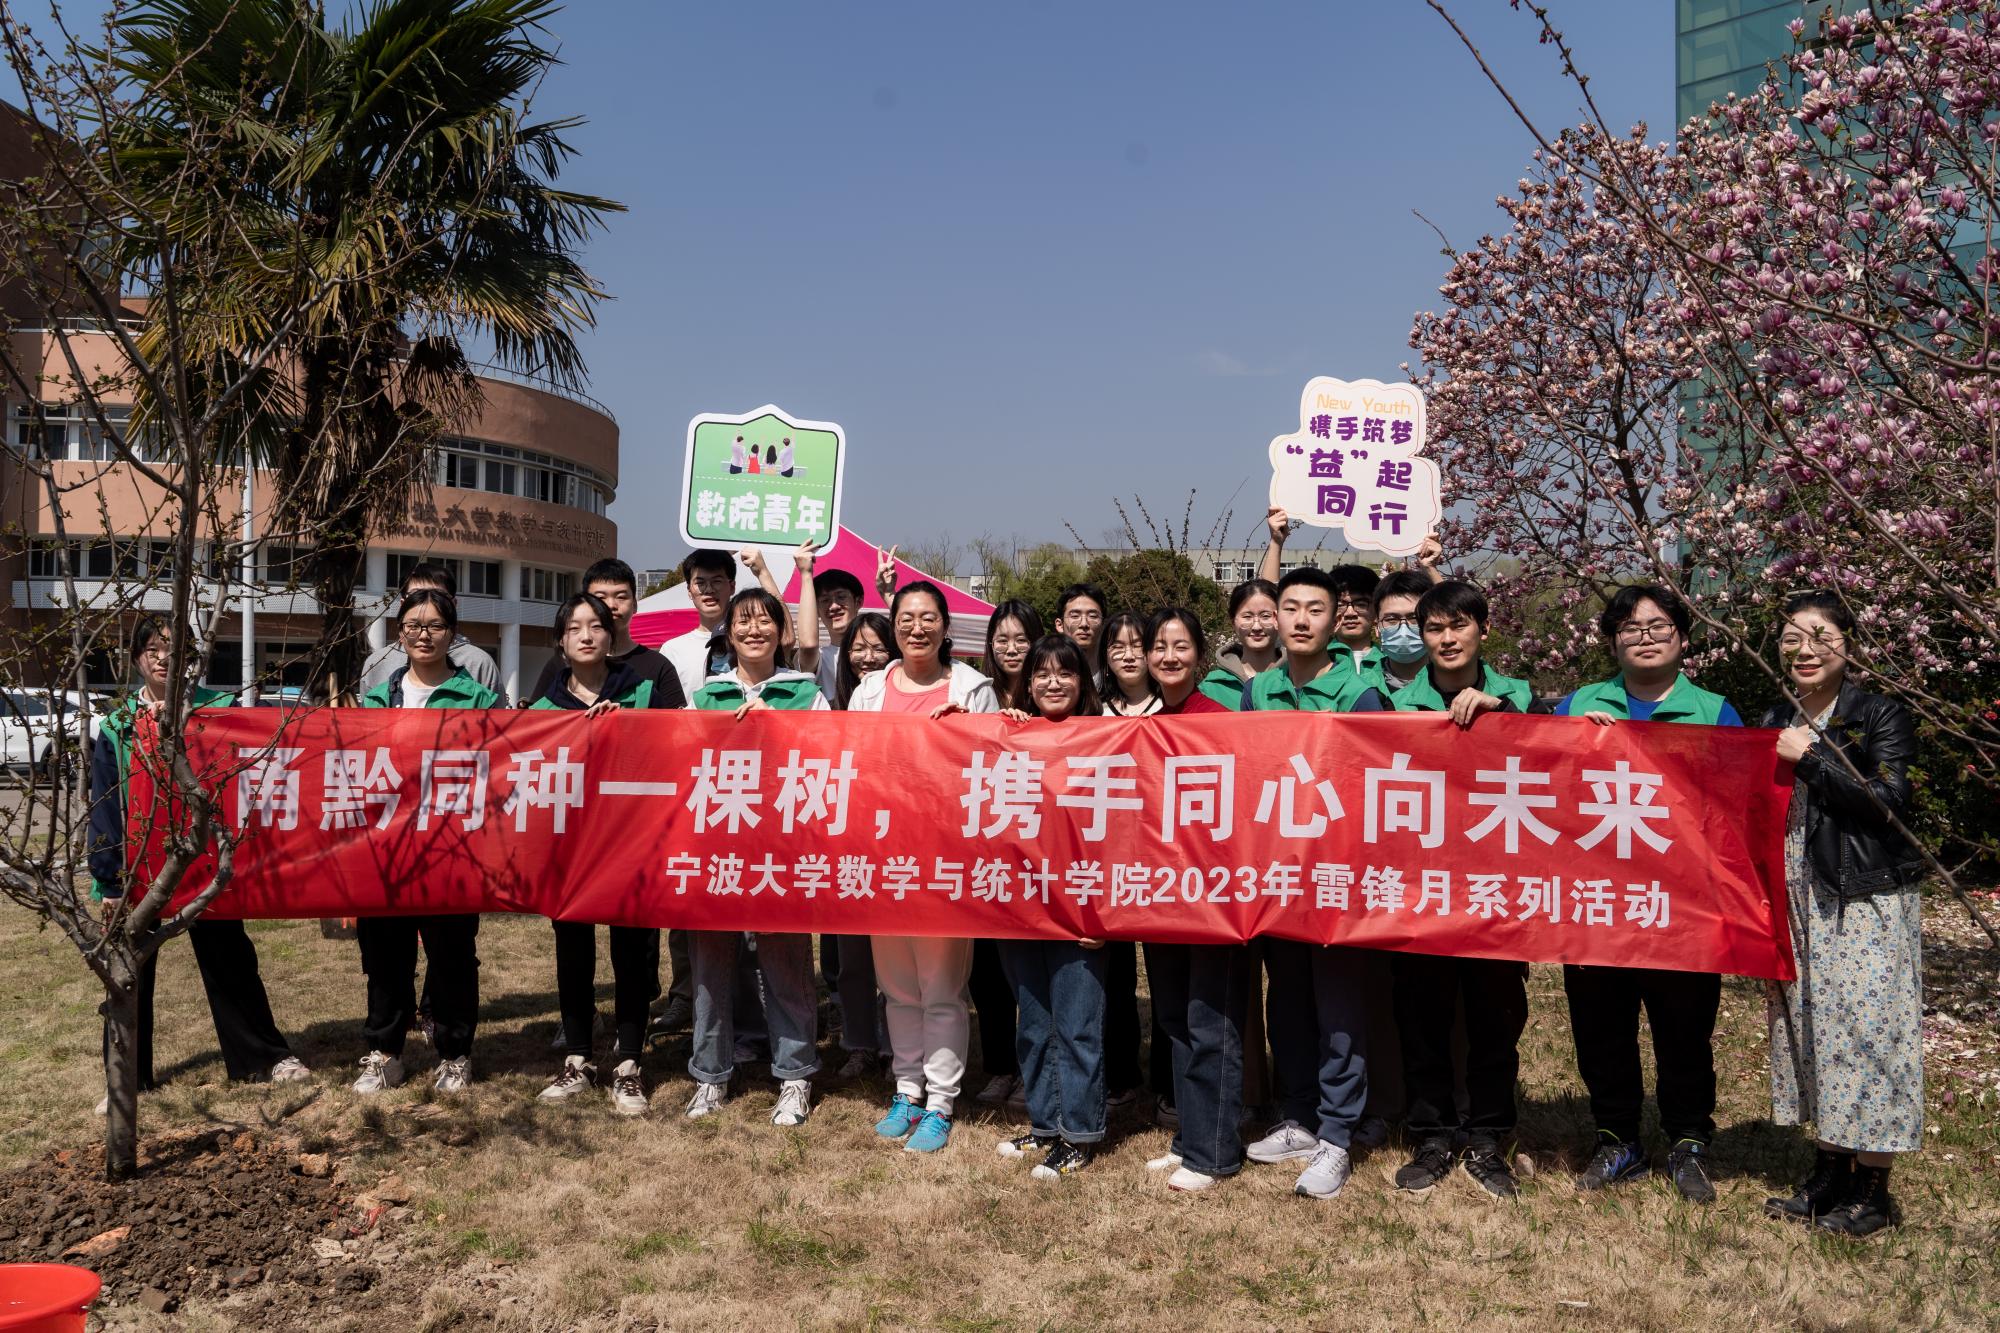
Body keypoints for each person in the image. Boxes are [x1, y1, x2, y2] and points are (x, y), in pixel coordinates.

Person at [1555, 583, 1742, 1204]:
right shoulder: (1580, 704)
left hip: (1683, 905)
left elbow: (1735, 809)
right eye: (1630, 628)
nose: (1645, 637)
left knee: (1684, 1030)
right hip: (1597, 901)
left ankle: (1689, 1142)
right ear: (1613, 642)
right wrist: (1574, 740)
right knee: (1601, 1028)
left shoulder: (1714, 712)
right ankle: (1617, 1139)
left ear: (1683, 638)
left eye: (1659, 626)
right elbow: (1539, 785)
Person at [88, 620, 308, 1113]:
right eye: (152, 649)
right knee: (129, 973)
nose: (163, 658)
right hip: (138, 867)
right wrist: (108, 877)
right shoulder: (119, 724)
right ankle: (125, 1077)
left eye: (175, 649)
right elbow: (104, 803)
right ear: (136, 658)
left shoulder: (220, 711)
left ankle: (263, 1057)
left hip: (206, 859)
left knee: (230, 959)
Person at [1761, 591, 1925, 1236]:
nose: (1804, 650)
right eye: (1791, 639)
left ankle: (1873, 1189)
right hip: (1797, 892)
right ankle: (1830, 1168)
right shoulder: (1777, 715)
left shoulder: (1876, 714)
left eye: (1820, 636)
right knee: (1811, 1026)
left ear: (1847, 644)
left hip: (1864, 895)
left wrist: (1811, 757)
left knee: (1871, 1029)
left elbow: (1889, 801)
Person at [1240, 568, 1383, 1200]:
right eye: (1290, 607)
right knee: (1289, 1001)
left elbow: (1370, 785)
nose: (1301, 620)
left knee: (1339, 1010)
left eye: (1315, 609)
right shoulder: (1258, 690)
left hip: (1337, 877)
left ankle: (1337, 1134)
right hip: (1277, 875)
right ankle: (1297, 1116)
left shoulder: (1360, 692)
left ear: (1336, 619)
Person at [1387, 579, 1533, 1198]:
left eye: (1459, 626)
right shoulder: (1392, 705)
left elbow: (1559, 760)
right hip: (1419, 888)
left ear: (1483, 630)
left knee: (1495, 1020)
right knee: (1422, 1018)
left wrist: (1504, 715)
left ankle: (1488, 1135)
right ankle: (1432, 1134)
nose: (1447, 639)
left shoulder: (1519, 696)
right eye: (1434, 628)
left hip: (1495, 889)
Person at [848, 581, 999, 1152]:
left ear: (945, 626)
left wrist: (967, 731)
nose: (917, 627)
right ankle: (906, 1090)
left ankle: (940, 1101)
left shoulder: (971, 687)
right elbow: (848, 761)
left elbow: (994, 767)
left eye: (928, 617)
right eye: (907, 617)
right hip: (883, 857)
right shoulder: (868, 690)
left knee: (941, 987)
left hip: (944, 859)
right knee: (897, 986)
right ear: (893, 624)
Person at [526, 560, 691, 1047]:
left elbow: (678, 744)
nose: (587, 634)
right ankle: (578, 1048)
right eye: (575, 627)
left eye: (596, 624)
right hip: (571, 843)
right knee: (572, 946)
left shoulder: (646, 684)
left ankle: (630, 1049)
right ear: (560, 640)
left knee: (633, 948)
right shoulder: (547, 699)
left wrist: (631, 728)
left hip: (632, 841)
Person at [682, 588, 829, 1126]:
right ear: (728, 632)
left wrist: (778, 727)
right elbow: (678, 759)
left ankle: (794, 1075)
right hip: (718, 848)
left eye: (764, 621)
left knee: (787, 963)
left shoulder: (806, 693)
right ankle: (710, 1074)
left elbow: (830, 759)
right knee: (711, 965)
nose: (753, 631)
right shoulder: (705, 697)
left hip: (782, 850)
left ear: (781, 631)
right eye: (742, 622)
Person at [355, 588, 501, 1095]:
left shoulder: (479, 699)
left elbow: (499, 764)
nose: (423, 634)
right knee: (384, 956)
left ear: (452, 634)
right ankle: (384, 1052)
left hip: (452, 847)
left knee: (452, 955)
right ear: (399, 634)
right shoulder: (377, 699)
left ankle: (455, 1054)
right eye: (413, 626)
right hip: (388, 848)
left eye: (435, 625)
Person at [993, 635, 1110, 1179]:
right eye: (1041, 673)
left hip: (1080, 908)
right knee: (1034, 1023)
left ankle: (1079, 1134)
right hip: (1022, 906)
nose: (1053, 683)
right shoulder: (1012, 734)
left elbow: (1123, 834)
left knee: (1077, 1026)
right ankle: (1045, 1124)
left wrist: (1106, 914)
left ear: (1082, 682)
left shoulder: (1105, 739)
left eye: (1065, 673)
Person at [969, 602, 1046, 1108]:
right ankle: (1000, 1067)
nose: (1011, 648)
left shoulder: (1053, 690)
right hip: (983, 852)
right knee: (986, 971)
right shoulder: (976, 693)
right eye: (1002, 639)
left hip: (1036, 854)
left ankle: (1036, 1071)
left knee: (1030, 973)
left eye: (1021, 639)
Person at [828, 611, 897, 1079]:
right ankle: (859, 1044)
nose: (867, 657)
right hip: (847, 845)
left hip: (894, 843)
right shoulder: (830, 710)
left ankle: (895, 1046)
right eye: (858, 647)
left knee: (895, 957)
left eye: (878, 647)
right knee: (851, 957)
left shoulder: (902, 706)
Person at [359, 561, 505, 700]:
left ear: (453, 605)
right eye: (417, 596)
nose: (427, 602)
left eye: (438, 597)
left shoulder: (479, 662)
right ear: (403, 604)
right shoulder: (377, 663)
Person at [663, 549, 738, 705]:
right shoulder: (672, 650)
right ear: (689, 591)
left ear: (732, 586)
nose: (709, 590)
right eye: (700, 583)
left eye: (717, 581)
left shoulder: (749, 641)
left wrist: (762, 573)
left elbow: (785, 640)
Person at [1199, 578, 1281, 709]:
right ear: (1233, 622)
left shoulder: (1296, 679)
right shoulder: (1212, 688)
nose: (1256, 627)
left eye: (1266, 616)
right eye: (1247, 617)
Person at [1367, 570, 1436, 698]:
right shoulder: (1359, 690)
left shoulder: (1459, 687)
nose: (1404, 630)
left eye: (1414, 618)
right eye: (1391, 619)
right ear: (1377, 627)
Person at [1098, 612, 1160, 717]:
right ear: (1105, 655)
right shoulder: (1095, 710)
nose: (1128, 656)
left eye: (1138, 646)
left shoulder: (1170, 705)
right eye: (1118, 647)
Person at [1054, 583, 1108, 659]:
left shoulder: (1117, 665)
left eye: (1092, 616)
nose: (1084, 624)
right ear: (1060, 625)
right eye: (1075, 616)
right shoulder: (1045, 665)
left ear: (1104, 624)